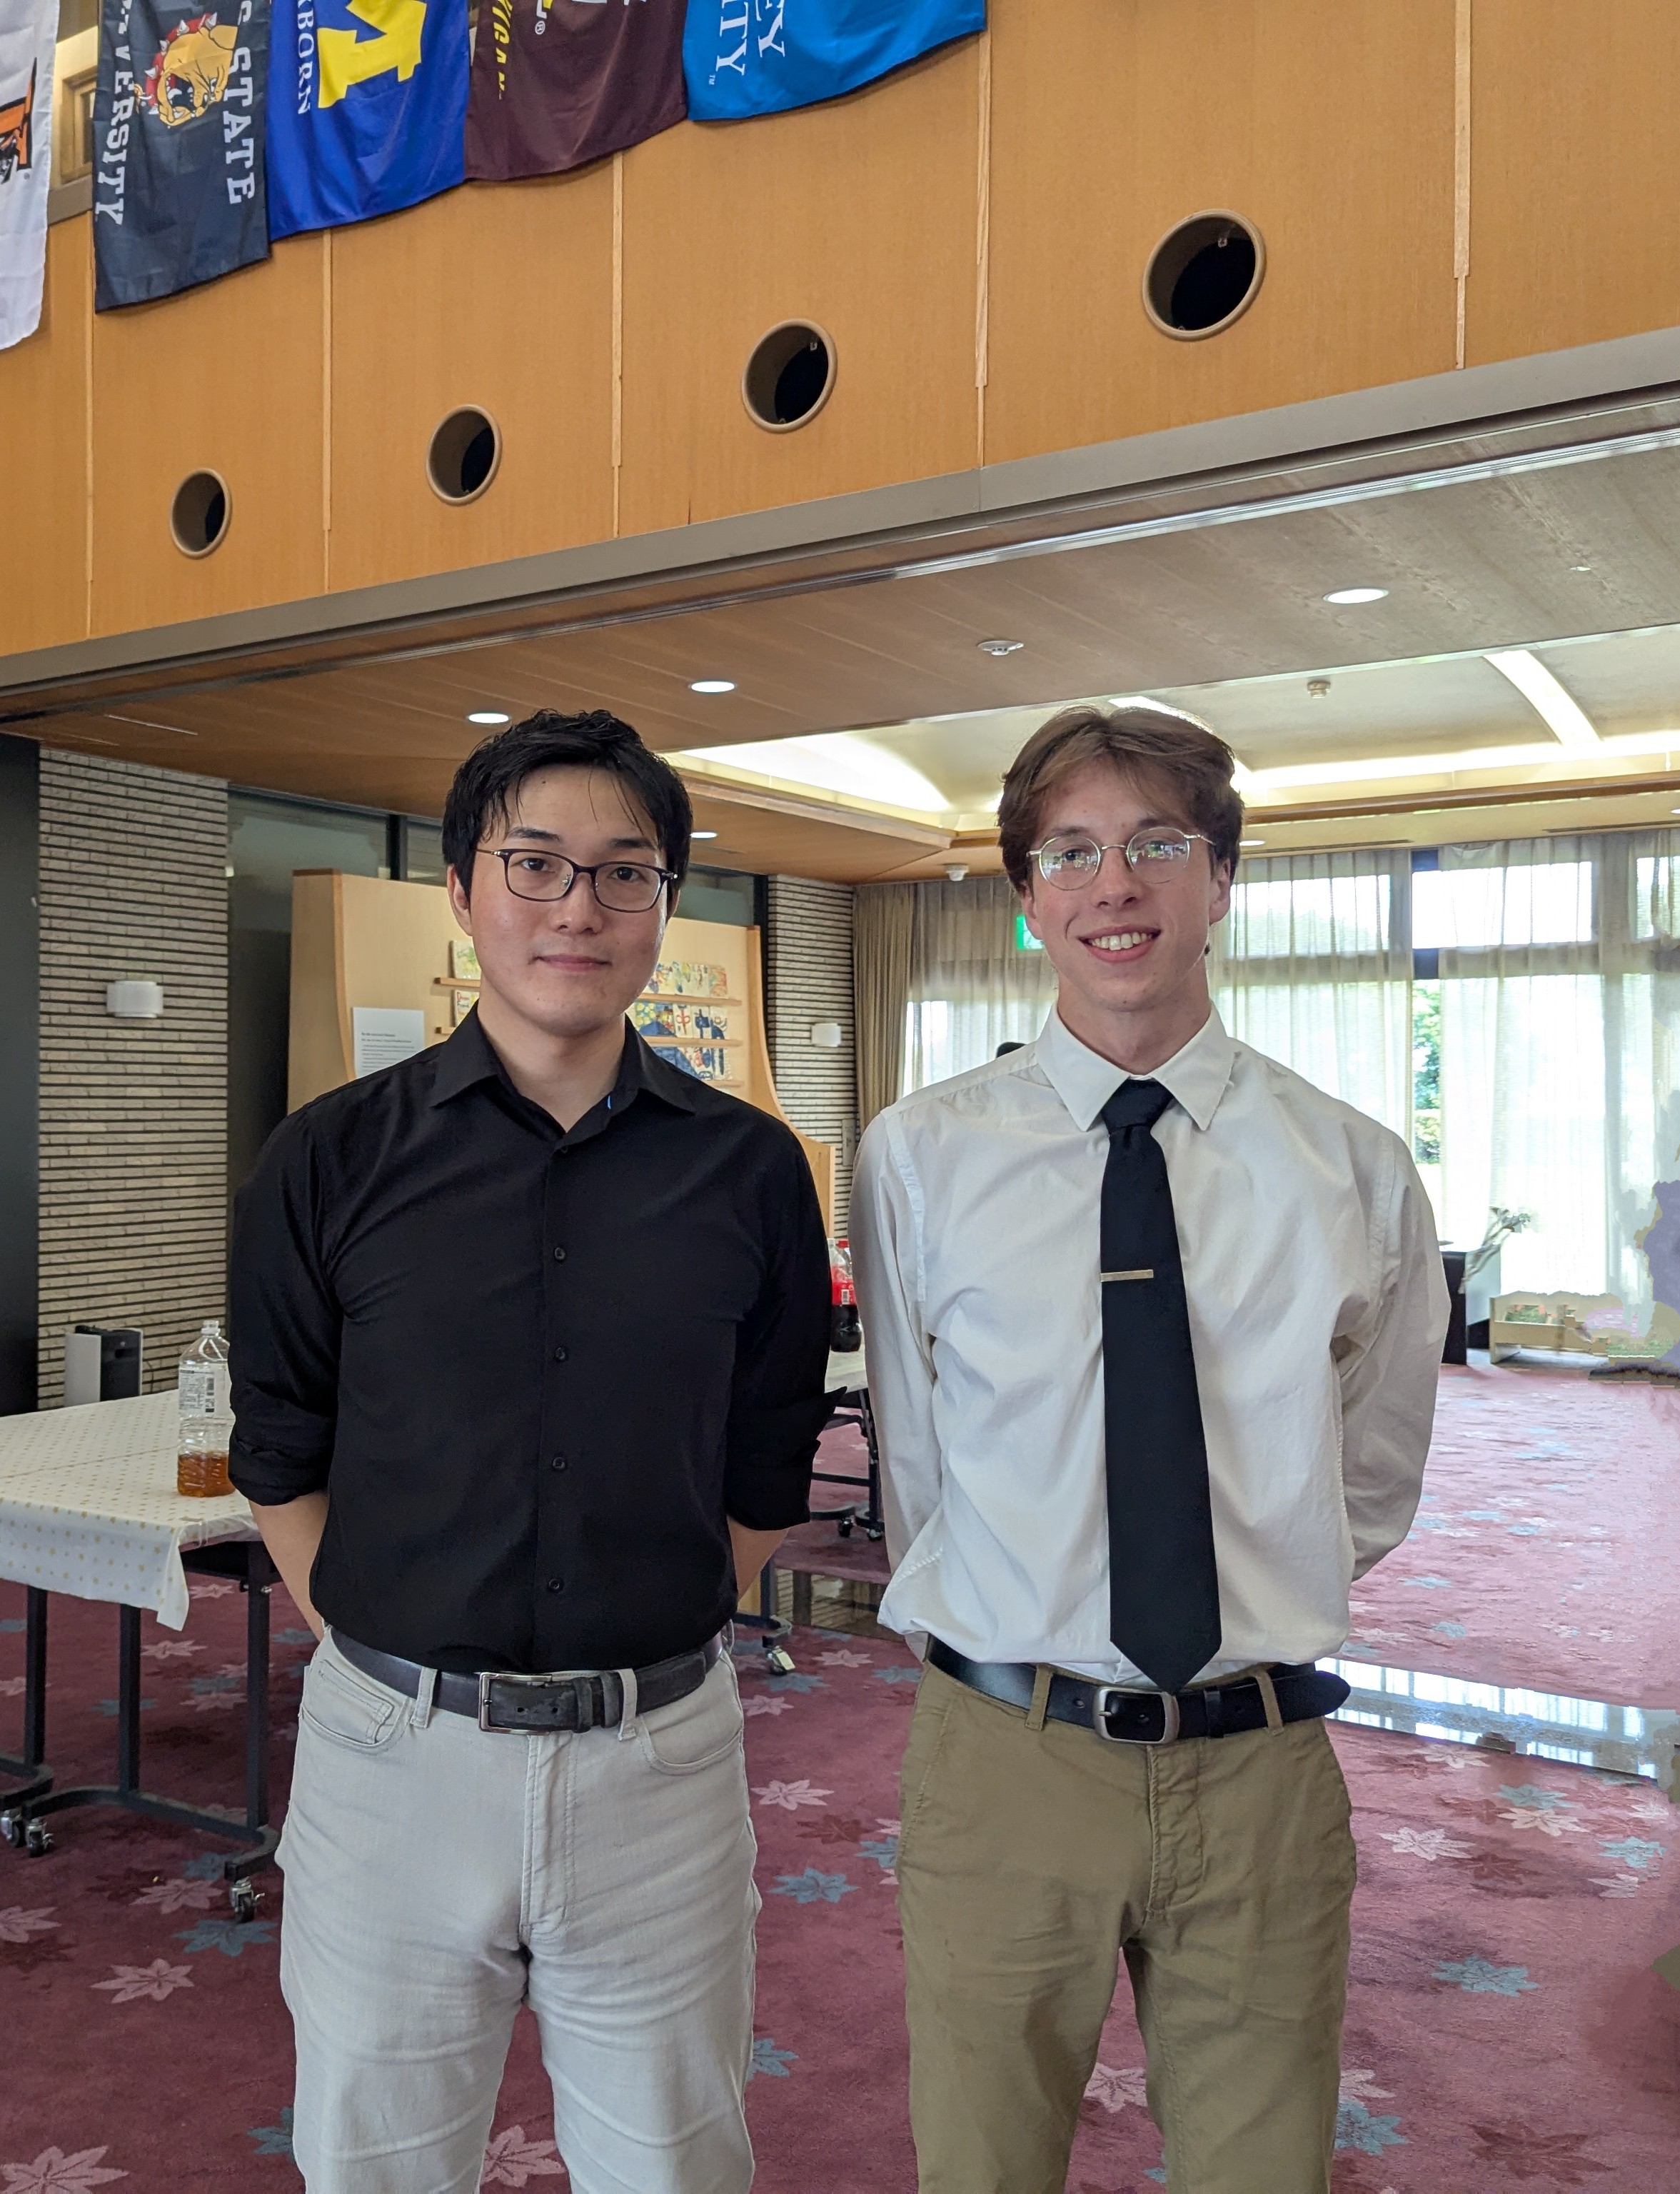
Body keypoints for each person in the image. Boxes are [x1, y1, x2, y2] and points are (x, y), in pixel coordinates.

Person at [230, 709, 833, 2194]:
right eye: (536, 865)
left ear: (665, 904)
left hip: (659, 1762)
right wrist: (405, 1661)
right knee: (375, 2162)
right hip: (391, 1763)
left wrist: (640, 1620)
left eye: (625, 874)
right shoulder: (328, 1157)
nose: (579, 908)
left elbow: (765, 1466)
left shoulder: (751, 1168)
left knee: (675, 2166)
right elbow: (279, 1452)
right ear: (461, 890)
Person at [851, 703, 1447, 2194]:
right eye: (1072, 851)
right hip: (1005, 1755)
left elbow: (1366, 1478)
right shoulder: (920, 1157)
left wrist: (1236, 1579)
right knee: (982, 2165)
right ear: (1029, 897)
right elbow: (918, 1466)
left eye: (1157, 843)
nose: (1114, 883)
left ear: (1222, 879)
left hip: (1260, 1766)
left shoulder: (1353, 1170)